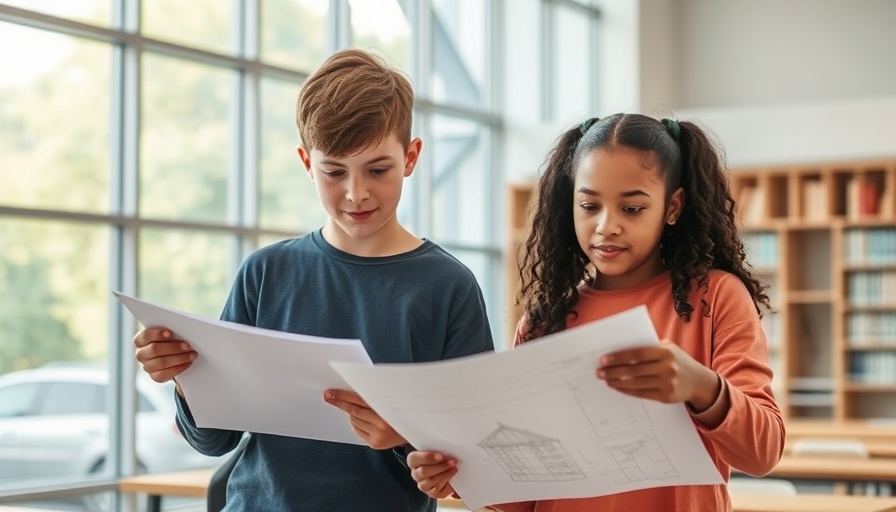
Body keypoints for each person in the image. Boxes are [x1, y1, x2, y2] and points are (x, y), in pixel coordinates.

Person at [133, 48, 494, 512]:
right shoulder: (265, 273)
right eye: (334, 171)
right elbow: (214, 440)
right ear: (307, 163)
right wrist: (185, 379)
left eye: (377, 170)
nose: (356, 193)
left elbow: (477, 464)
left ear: (411, 157)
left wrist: (403, 436)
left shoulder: (448, 287)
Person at [407, 113, 784, 511]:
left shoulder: (717, 298)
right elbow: (522, 498)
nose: (606, 226)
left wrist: (701, 387)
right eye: (589, 205)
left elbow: (763, 452)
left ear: (672, 207)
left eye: (632, 209)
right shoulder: (543, 324)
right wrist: (460, 477)